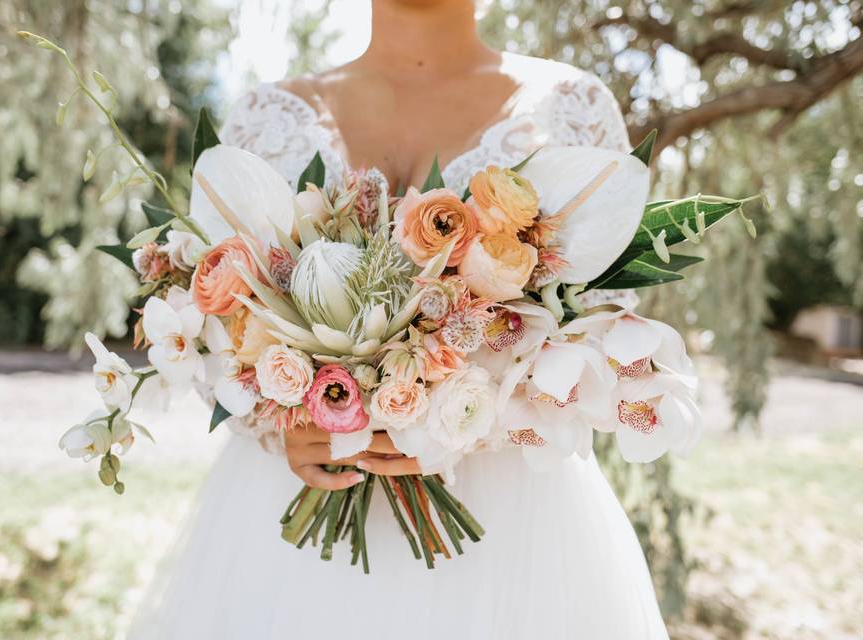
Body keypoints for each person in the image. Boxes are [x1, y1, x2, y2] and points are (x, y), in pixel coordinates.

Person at [129, 1, 669, 638]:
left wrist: (466, 421)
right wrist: (277, 419)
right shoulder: (267, 117)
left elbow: (597, 331)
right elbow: (215, 319)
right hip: (292, 517)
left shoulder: (567, 106)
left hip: (507, 523)